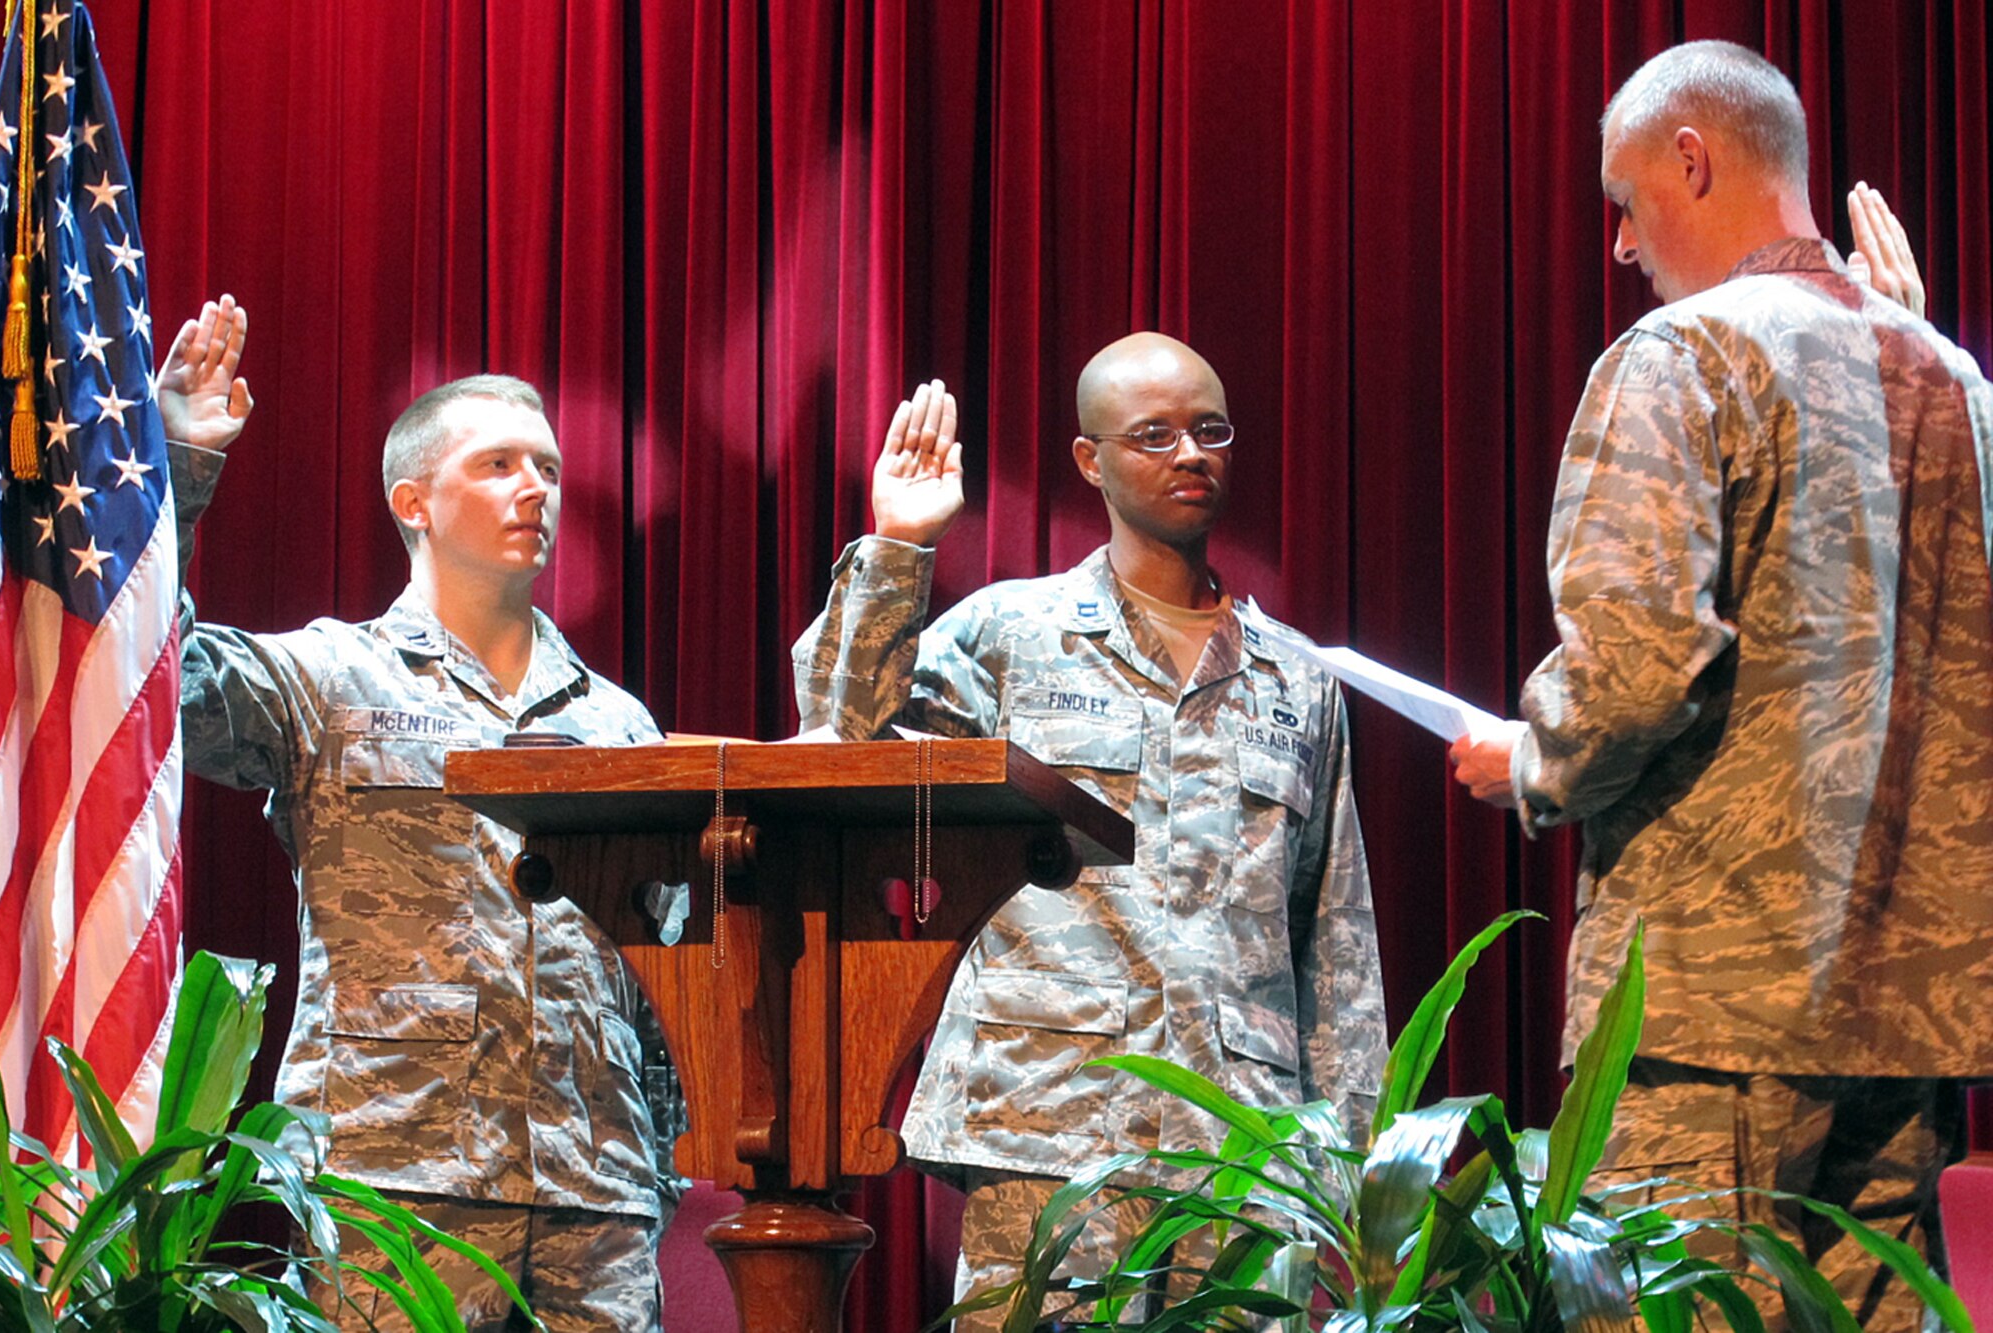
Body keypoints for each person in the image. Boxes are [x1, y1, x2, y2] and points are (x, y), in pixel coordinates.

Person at [1448, 42, 1991, 1329]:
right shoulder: (1961, 386)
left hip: (1713, 1014)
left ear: (1690, 157)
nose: (1622, 246)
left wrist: (1524, 760)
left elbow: (1633, 674)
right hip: (1912, 1013)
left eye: (1625, 203)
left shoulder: (1680, 356)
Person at [792, 335, 1387, 1325]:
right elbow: (836, 731)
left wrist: (1345, 1164)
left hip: (1241, 1141)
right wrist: (899, 545)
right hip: (1049, 1122)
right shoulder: (1010, 634)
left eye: (1210, 430)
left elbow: (1334, 939)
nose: (1189, 453)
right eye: (1152, 435)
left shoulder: (1296, 679)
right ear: (1089, 460)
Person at [162, 298, 683, 1331]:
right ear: (414, 500)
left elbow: (656, 968)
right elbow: (147, 685)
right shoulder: (329, 676)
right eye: (496, 465)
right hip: (396, 1182)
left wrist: (651, 1165)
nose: (533, 487)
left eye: (545, 468)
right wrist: (175, 469)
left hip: (596, 1192)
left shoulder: (619, 722)